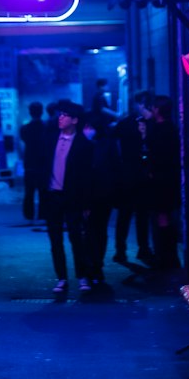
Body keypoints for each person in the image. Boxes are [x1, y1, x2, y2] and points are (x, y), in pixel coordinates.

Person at [42, 101, 94, 294]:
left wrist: (86, 202)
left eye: (65, 115)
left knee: (76, 238)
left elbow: (87, 176)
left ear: (74, 120)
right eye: (60, 115)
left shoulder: (83, 144)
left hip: (72, 197)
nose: (60, 118)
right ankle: (61, 278)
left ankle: (82, 276)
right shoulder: (50, 139)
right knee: (55, 239)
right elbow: (43, 166)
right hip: (53, 195)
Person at [112, 91, 153, 265]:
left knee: (137, 214)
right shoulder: (127, 124)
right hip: (131, 174)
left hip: (138, 175)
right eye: (142, 104)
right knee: (128, 214)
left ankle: (138, 249)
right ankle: (124, 250)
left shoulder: (149, 124)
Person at [82, 106, 121, 286]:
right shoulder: (107, 144)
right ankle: (95, 265)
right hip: (103, 194)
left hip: (97, 194)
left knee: (93, 230)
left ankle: (94, 265)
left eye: (89, 126)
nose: (86, 129)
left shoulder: (92, 146)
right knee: (97, 230)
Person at [142, 95, 182, 271]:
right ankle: (168, 256)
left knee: (162, 217)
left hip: (160, 179)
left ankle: (166, 258)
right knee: (165, 216)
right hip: (168, 178)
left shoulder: (159, 129)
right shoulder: (170, 128)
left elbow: (154, 152)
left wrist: (145, 135)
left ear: (157, 110)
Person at [19, 101, 53, 224]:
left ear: (30, 112)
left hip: (30, 162)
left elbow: (24, 140)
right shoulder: (46, 127)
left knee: (29, 191)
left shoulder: (25, 128)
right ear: (42, 111)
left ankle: (29, 216)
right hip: (43, 162)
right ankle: (43, 215)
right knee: (43, 191)